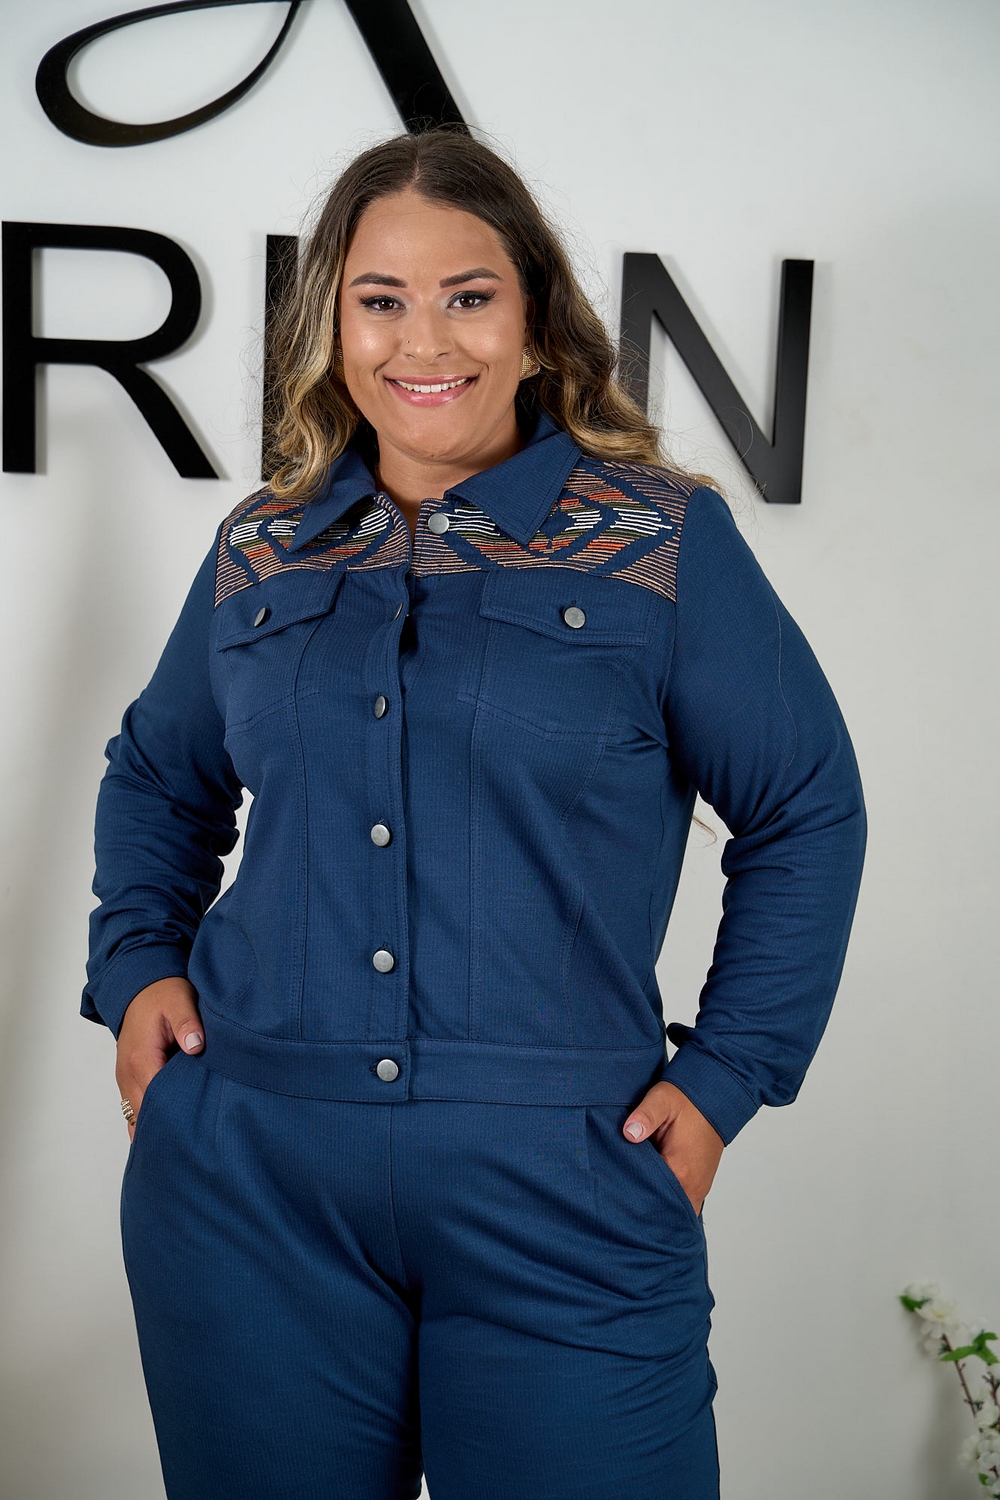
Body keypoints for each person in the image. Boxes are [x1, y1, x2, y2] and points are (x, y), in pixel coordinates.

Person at [83, 126, 866, 1500]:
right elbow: (160, 775)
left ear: (535, 320)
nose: (422, 340)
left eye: (468, 295)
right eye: (380, 299)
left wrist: (725, 1078)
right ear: (334, 325)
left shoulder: (659, 539)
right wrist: (137, 959)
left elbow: (804, 809)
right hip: (248, 1182)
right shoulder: (261, 545)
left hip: (564, 1188)